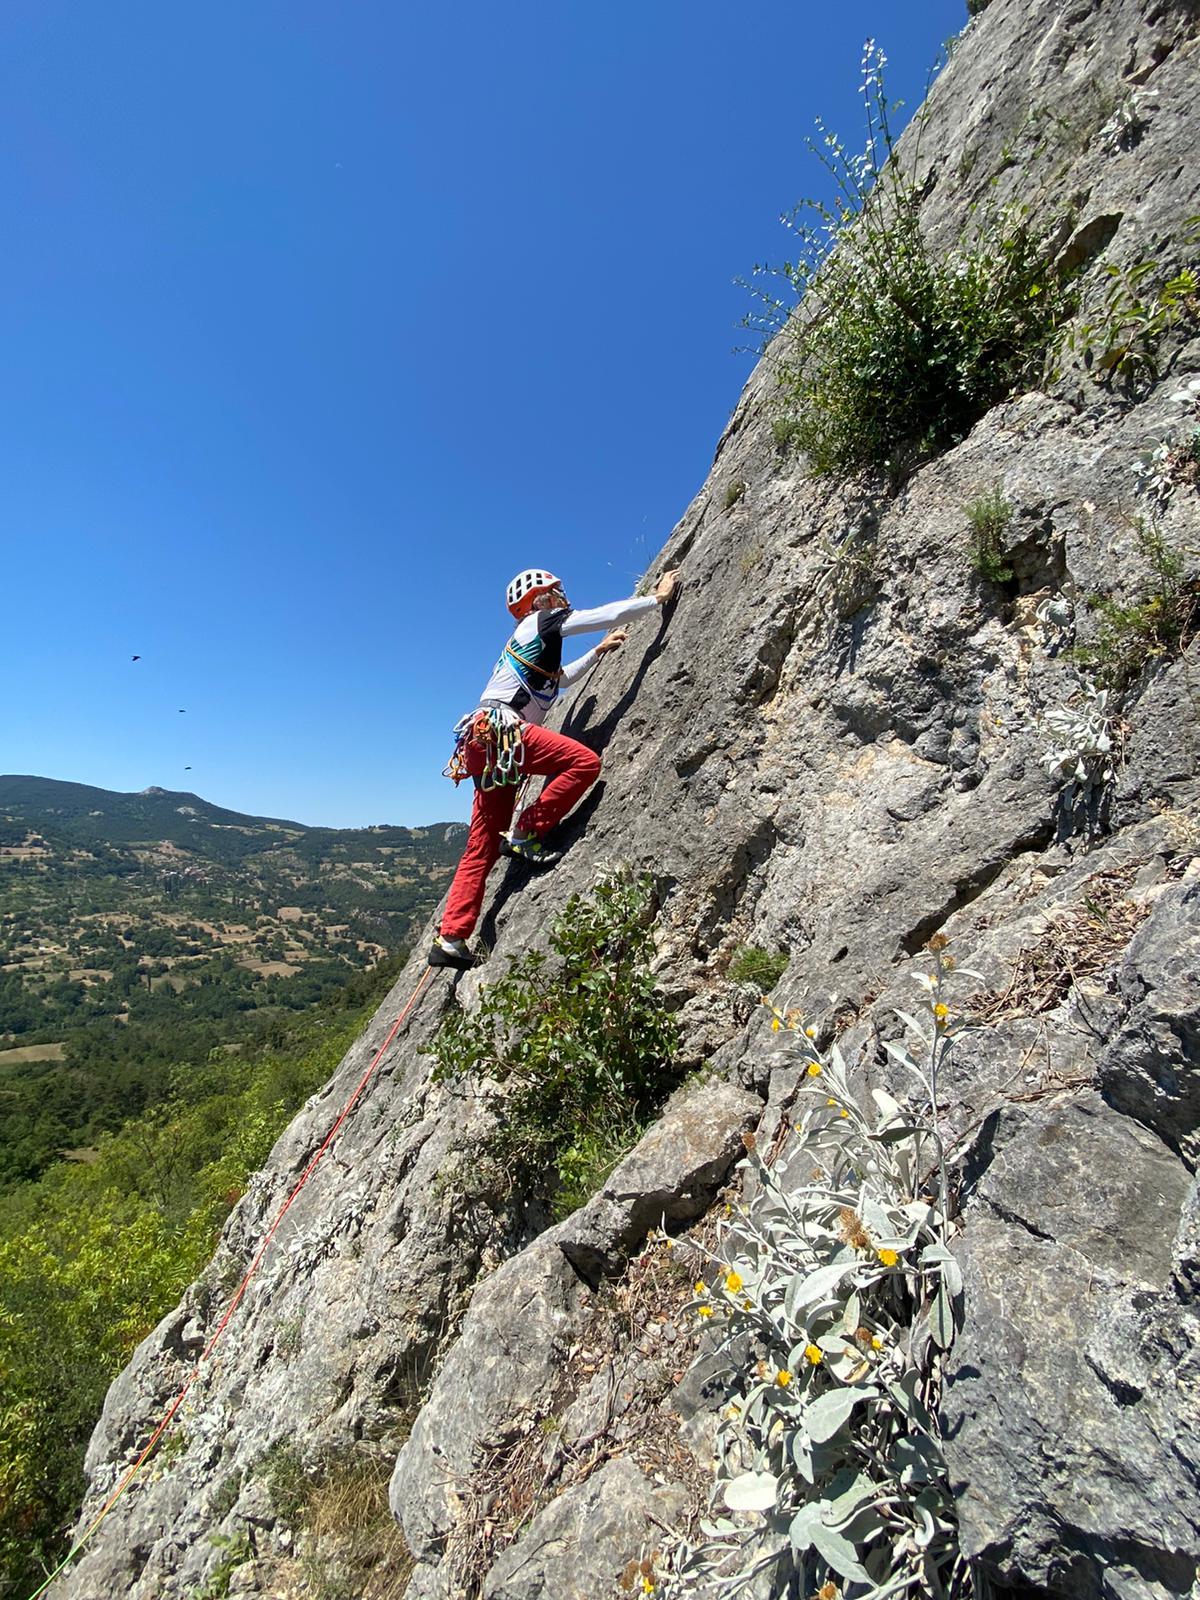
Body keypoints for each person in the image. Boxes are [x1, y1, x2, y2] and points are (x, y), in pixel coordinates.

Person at [429, 566, 680, 969]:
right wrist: (657, 598)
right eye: (556, 591)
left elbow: (558, 681)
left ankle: (451, 938)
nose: (563, 596)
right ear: (539, 600)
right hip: (502, 733)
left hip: (483, 741)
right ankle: (527, 832)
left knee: (482, 843)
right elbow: (605, 614)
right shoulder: (541, 621)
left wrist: (597, 653)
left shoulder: (532, 642)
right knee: (583, 763)